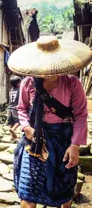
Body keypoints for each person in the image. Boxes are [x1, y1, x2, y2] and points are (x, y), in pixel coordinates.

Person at [8, 36, 92, 208]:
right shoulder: (29, 83)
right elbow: (21, 109)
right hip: (35, 142)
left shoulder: (72, 84)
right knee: (28, 195)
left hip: (63, 140)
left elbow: (81, 114)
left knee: (63, 195)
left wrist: (75, 145)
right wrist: (26, 127)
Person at [7, 75, 22, 139]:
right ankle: (13, 129)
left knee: (11, 122)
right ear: (18, 84)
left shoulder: (11, 90)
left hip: (9, 108)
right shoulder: (20, 90)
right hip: (15, 108)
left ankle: (12, 136)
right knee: (18, 121)